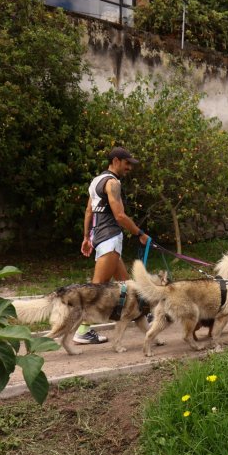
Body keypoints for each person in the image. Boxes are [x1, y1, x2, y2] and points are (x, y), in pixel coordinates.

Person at [74, 146, 150, 345]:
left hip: (99, 237)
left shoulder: (96, 181)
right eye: (127, 164)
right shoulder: (113, 183)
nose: (129, 168)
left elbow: (89, 212)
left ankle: (144, 319)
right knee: (97, 287)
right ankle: (82, 330)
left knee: (127, 285)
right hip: (110, 238)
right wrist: (139, 233)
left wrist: (86, 237)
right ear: (116, 161)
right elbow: (120, 216)